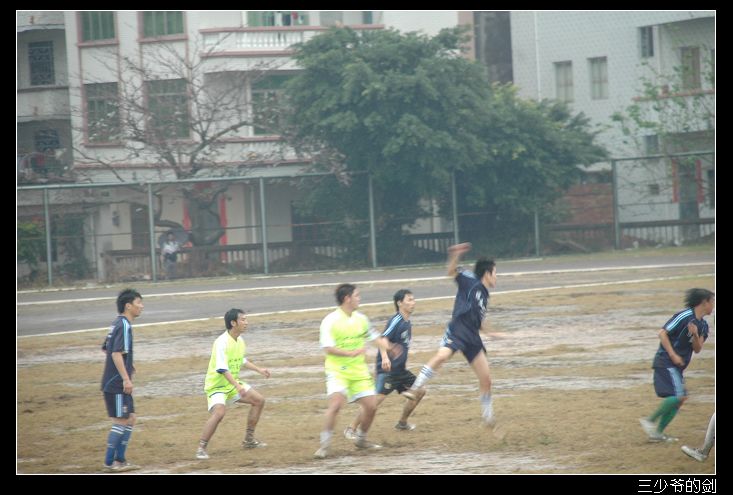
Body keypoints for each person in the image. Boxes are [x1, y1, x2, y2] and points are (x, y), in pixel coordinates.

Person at [403, 242, 498, 427]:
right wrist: (455, 254)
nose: (497, 277)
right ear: (487, 273)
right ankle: (414, 388)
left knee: (486, 378)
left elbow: (478, 319)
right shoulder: (470, 280)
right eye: (495, 273)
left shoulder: (485, 294)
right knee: (442, 356)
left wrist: (490, 332)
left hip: (472, 336)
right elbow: (451, 271)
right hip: (458, 329)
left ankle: (488, 417)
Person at [344, 289, 425, 439]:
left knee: (420, 391)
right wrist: (385, 358)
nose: (413, 303)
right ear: (399, 303)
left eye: (414, 299)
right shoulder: (396, 320)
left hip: (400, 370)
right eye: (409, 300)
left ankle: (402, 423)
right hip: (388, 371)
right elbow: (382, 339)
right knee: (374, 403)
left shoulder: (407, 322)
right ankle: (351, 428)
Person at [314, 283, 382, 459]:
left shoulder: (361, 319)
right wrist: (350, 353)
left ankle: (361, 440)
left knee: (371, 406)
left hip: (359, 371)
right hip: (338, 371)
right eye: (357, 295)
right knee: (336, 405)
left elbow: (374, 337)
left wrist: (389, 347)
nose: (360, 299)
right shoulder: (330, 320)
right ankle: (324, 446)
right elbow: (328, 348)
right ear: (347, 298)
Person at [639, 288, 714, 442]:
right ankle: (650, 421)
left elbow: (697, 349)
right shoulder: (684, 316)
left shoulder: (703, 326)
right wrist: (673, 355)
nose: (713, 305)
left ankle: (657, 434)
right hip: (666, 361)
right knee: (677, 396)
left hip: (678, 366)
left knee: (681, 398)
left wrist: (695, 334)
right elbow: (662, 333)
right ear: (704, 302)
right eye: (712, 301)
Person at [195, 308, 271, 460]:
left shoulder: (240, 340)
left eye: (246, 319)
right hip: (217, 386)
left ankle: (249, 440)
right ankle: (201, 448)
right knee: (219, 413)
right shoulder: (221, 342)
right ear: (233, 323)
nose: (246, 322)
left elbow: (241, 360)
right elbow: (222, 369)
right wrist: (237, 386)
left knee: (259, 401)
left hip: (232, 384)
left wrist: (259, 370)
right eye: (243, 319)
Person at [101, 288, 144, 472]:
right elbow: (115, 353)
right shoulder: (124, 325)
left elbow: (106, 348)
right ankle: (109, 463)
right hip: (116, 383)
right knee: (120, 421)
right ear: (128, 306)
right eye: (138, 303)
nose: (141, 306)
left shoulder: (116, 323)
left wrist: (128, 364)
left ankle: (120, 461)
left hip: (116, 381)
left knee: (130, 418)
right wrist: (125, 378)